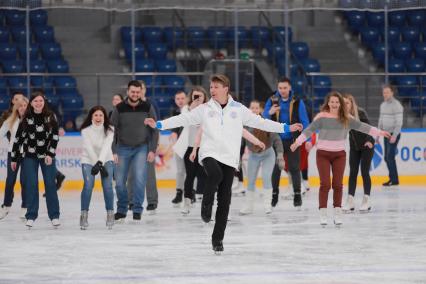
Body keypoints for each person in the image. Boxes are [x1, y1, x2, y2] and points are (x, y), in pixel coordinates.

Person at [145, 74, 303, 253]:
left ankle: (217, 239)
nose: (212, 90)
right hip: (209, 153)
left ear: (225, 89)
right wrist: (159, 124)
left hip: (230, 157)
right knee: (215, 174)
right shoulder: (204, 108)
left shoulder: (238, 109)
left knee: (225, 200)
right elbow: (184, 119)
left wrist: (286, 127)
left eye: (215, 87)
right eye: (211, 87)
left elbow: (262, 122)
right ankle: (206, 202)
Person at [290, 92, 390, 227]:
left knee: (338, 184)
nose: (335, 104)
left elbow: (364, 127)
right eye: (332, 102)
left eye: (337, 102)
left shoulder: (346, 118)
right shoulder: (321, 117)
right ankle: (323, 213)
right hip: (323, 154)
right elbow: (309, 131)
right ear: (328, 103)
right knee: (325, 184)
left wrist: (379, 132)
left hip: (339, 155)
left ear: (340, 104)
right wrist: (297, 142)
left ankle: (337, 212)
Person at [11, 91, 61, 228]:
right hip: (29, 157)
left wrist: (50, 154)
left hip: (47, 157)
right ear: (31, 103)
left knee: (50, 185)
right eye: (35, 101)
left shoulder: (50, 117)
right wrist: (14, 158)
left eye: (40, 101)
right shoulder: (26, 118)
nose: (38, 103)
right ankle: (31, 215)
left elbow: (55, 137)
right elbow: (18, 140)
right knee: (31, 185)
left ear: (44, 102)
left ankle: (54, 216)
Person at [110, 80, 158, 222]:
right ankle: (122, 209)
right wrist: (113, 150)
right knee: (119, 182)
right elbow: (112, 131)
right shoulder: (119, 108)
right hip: (122, 148)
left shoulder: (147, 107)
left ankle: (137, 209)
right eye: (133, 92)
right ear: (128, 92)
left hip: (141, 148)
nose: (135, 94)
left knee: (139, 179)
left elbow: (154, 129)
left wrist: (152, 150)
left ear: (140, 92)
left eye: (138, 92)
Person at [263, 77, 310, 208]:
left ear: (289, 88)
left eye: (285, 88)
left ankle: (297, 195)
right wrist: (269, 112)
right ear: (278, 88)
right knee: (276, 169)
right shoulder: (272, 100)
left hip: (293, 140)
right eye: (280, 88)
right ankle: (274, 195)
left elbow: (305, 121)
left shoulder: (297, 102)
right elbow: (263, 118)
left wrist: (308, 139)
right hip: (276, 140)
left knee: (295, 168)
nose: (282, 90)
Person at [239, 100, 284, 215]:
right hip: (253, 156)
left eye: (256, 108)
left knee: (266, 177)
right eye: (252, 108)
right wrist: (238, 158)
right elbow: (241, 143)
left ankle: (267, 205)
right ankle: (249, 206)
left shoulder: (265, 123)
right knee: (251, 180)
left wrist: (280, 155)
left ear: (261, 110)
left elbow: (277, 140)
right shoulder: (244, 124)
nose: (254, 110)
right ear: (248, 109)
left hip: (268, 154)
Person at [174, 87, 209, 215]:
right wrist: (192, 107)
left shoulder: (209, 109)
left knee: (205, 174)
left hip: (205, 147)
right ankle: (187, 202)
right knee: (190, 175)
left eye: (200, 96)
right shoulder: (186, 109)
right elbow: (184, 119)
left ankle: (206, 202)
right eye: (195, 96)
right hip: (189, 147)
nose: (198, 99)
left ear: (205, 97)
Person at [79, 106, 115, 230]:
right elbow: (88, 148)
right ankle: (84, 215)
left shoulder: (110, 130)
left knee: (108, 186)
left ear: (104, 117)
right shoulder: (85, 130)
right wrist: (97, 164)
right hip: (88, 160)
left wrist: (100, 163)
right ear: (91, 117)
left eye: (101, 115)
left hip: (106, 159)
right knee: (88, 186)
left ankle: (110, 214)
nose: (98, 118)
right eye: (96, 115)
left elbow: (106, 147)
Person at [126, 81, 159, 214]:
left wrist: (154, 147)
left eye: (142, 89)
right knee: (131, 175)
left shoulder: (150, 105)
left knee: (149, 175)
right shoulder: (125, 106)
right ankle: (131, 201)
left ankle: (152, 201)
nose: (139, 92)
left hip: (146, 145)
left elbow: (156, 127)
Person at [342, 94, 375, 213]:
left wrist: (370, 141)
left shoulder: (360, 113)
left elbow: (369, 128)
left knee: (364, 172)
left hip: (367, 145)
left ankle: (366, 199)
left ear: (352, 104)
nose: (345, 105)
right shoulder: (343, 116)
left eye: (347, 103)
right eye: (343, 103)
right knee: (353, 173)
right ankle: (350, 200)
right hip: (354, 147)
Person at [0, 97, 28, 220]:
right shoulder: (10, 121)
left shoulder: (32, 120)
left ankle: (25, 207)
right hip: (13, 154)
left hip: (28, 155)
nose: (22, 107)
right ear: (16, 107)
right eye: (20, 105)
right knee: (10, 181)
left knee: (25, 181)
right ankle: (6, 206)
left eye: (25, 105)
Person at [378, 85, 403, 187]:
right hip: (385, 134)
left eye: (387, 92)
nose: (385, 94)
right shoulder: (383, 105)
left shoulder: (397, 105)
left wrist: (395, 135)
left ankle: (394, 180)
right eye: (384, 92)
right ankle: (394, 179)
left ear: (392, 93)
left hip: (393, 134)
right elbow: (381, 119)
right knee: (386, 157)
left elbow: (399, 122)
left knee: (389, 157)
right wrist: (378, 133)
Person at [170, 90, 187, 205]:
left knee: (191, 171)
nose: (180, 101)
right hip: (179, 146)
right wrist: (174, 133)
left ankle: (191, 193)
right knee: (180, 170)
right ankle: (179, 193)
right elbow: (174, 126)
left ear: (186, 99)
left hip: (190, 145)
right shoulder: (175, 112)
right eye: (178, 99)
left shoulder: (191, 111)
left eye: (182, 98)